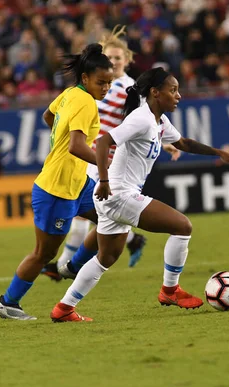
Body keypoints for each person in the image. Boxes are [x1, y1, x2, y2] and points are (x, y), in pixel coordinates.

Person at [49, 67, 229, 322]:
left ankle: (63, 309)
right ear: (155, 92)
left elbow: (183, 143)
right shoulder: (140, 118)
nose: (178, 96)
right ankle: (170, 290)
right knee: (182, 226)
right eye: (172, 90)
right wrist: (105, 180)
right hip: (118, 194)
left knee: (105, 258)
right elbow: (106, 141)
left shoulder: (158, 121)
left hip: (113, 197)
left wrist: (219, 152)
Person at [41, 26, 181, 283]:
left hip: (107, 162)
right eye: (110, 57)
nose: (114, 62)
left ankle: (64, 267)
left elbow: (150, 119)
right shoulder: (96, 86)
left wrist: (167, 142)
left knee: (89, 214)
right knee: (93, 215)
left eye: (119, 58)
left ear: (127, 61)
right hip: (87, 156)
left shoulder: (132, 89)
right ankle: (75, 263)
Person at [0, 43, 114, 320]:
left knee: (111, 217)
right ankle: (9, 302)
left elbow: (47, 116)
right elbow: (75, 146)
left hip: (76, 183)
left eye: (109, 82)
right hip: (57, 189)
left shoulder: (70, 93)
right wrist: (105, 162)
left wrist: (58, 138)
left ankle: (72, 267)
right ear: (85, 78)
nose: (106, 88)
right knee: (42, 254)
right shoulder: (85, 102)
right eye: (101, 82)